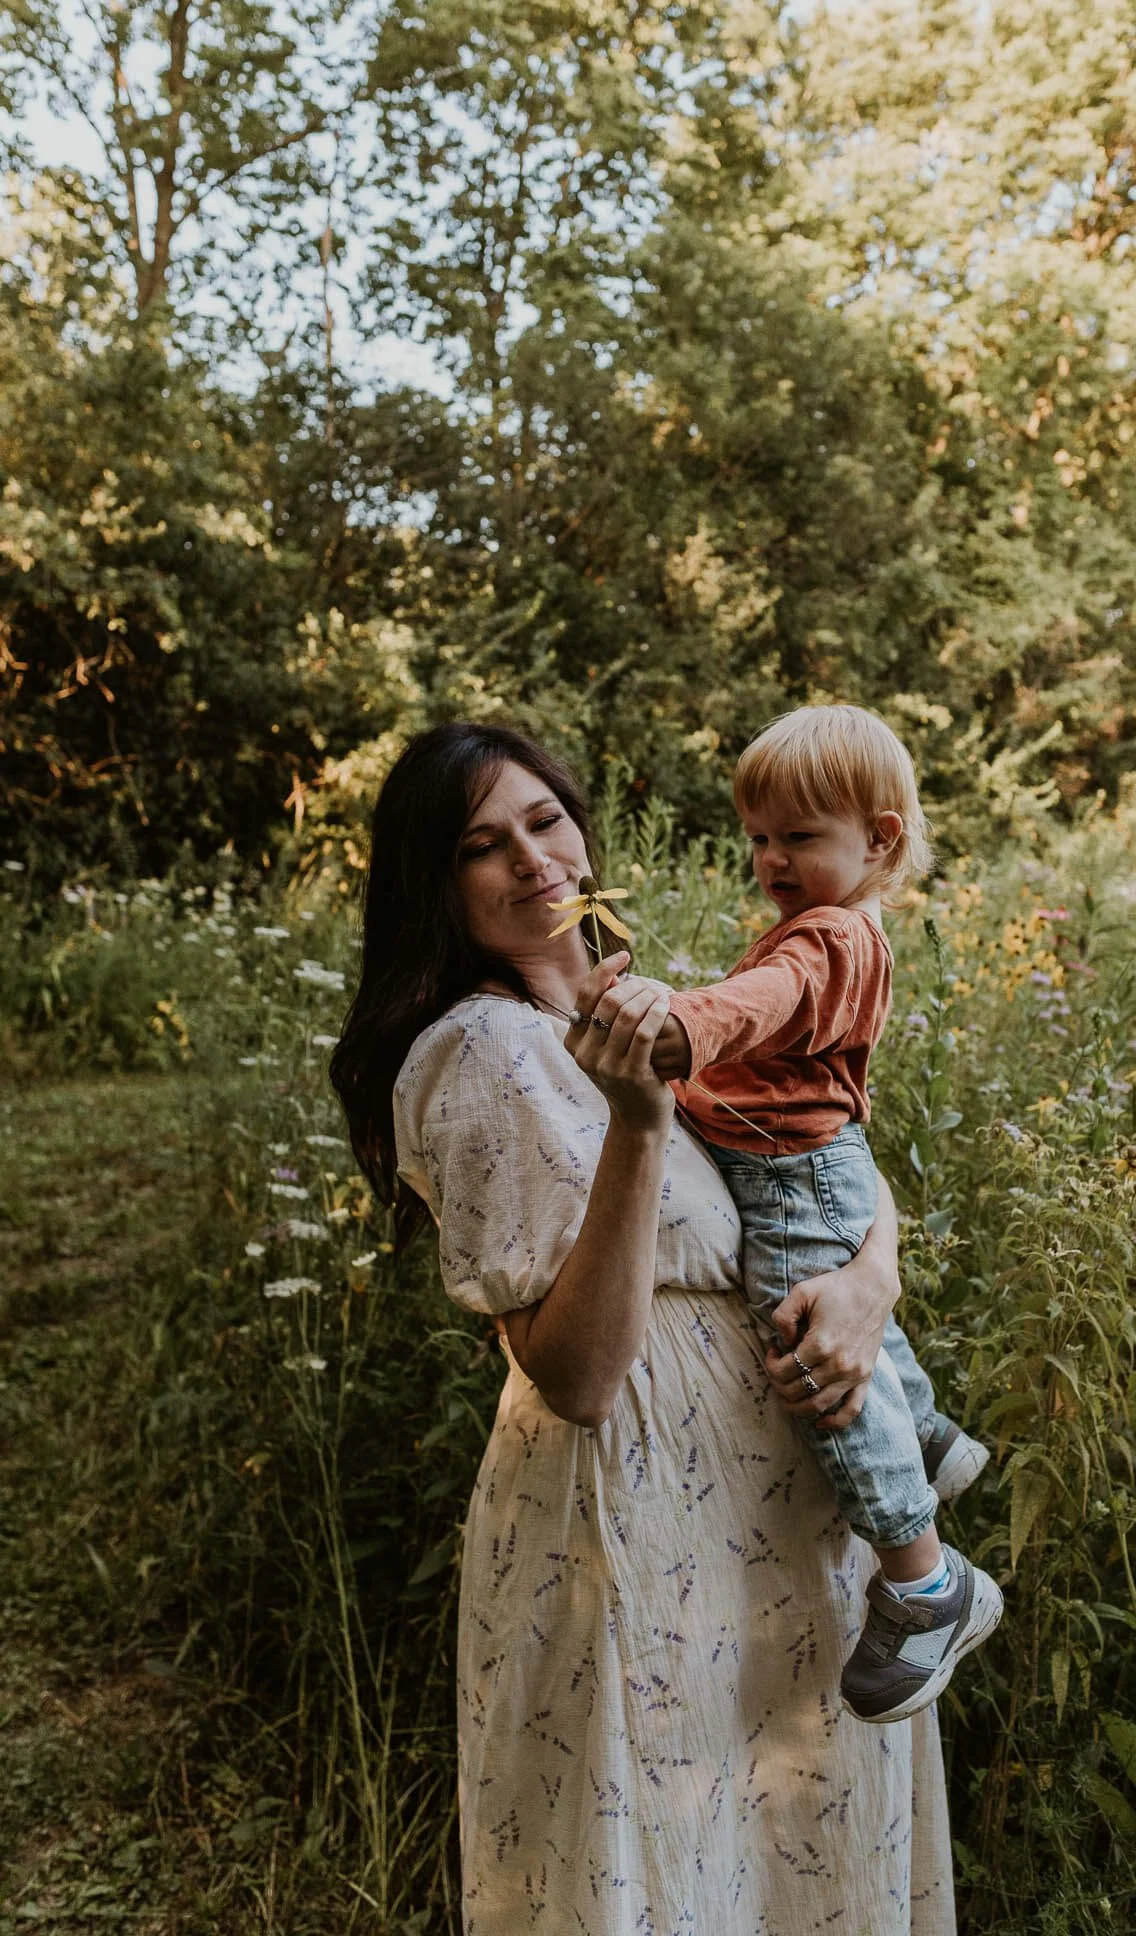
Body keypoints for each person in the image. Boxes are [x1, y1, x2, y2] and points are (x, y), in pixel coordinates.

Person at [331, 721, 959, 1934]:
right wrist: (638, 1123)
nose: (531, 858)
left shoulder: (637, 998)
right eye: (481, 844)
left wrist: (871, 1279)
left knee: (787, 1845)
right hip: (634, 1515)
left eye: (544, 819)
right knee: (672, 1859)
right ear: (437, 884)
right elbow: (574, 1371)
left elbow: (824, 1159)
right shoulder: (482, 1053)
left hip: (772, 1518)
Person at [644, 705, 1001, 1724]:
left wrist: (684, 1028)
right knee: (844, 1328)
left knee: (814, 1351)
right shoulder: (837, 922)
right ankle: (925, 1430)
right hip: (809, 1166)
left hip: (795, 1176)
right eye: (759, 836)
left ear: (877, 837)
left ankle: (925, 1582)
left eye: (799, 836)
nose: (771, 857)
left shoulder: (831, 937)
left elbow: (761, 999)